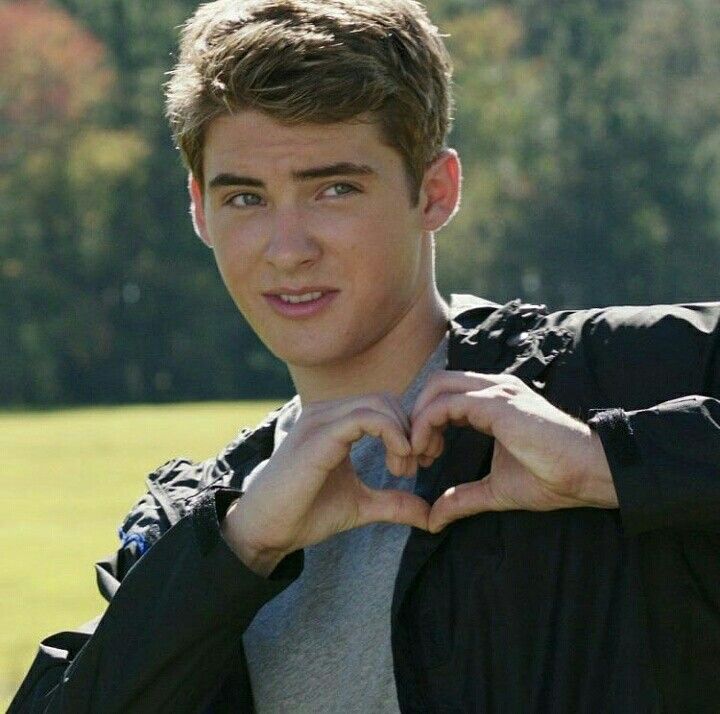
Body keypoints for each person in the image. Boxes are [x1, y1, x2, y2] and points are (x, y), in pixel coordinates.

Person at [10, 0, 720, 712]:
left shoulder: (606, 381)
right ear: (199, 209)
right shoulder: (206, 524)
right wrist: (237, 551)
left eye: (335, 189)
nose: (287, 249)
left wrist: (606, 463)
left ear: (434, 192)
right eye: (246, 199)